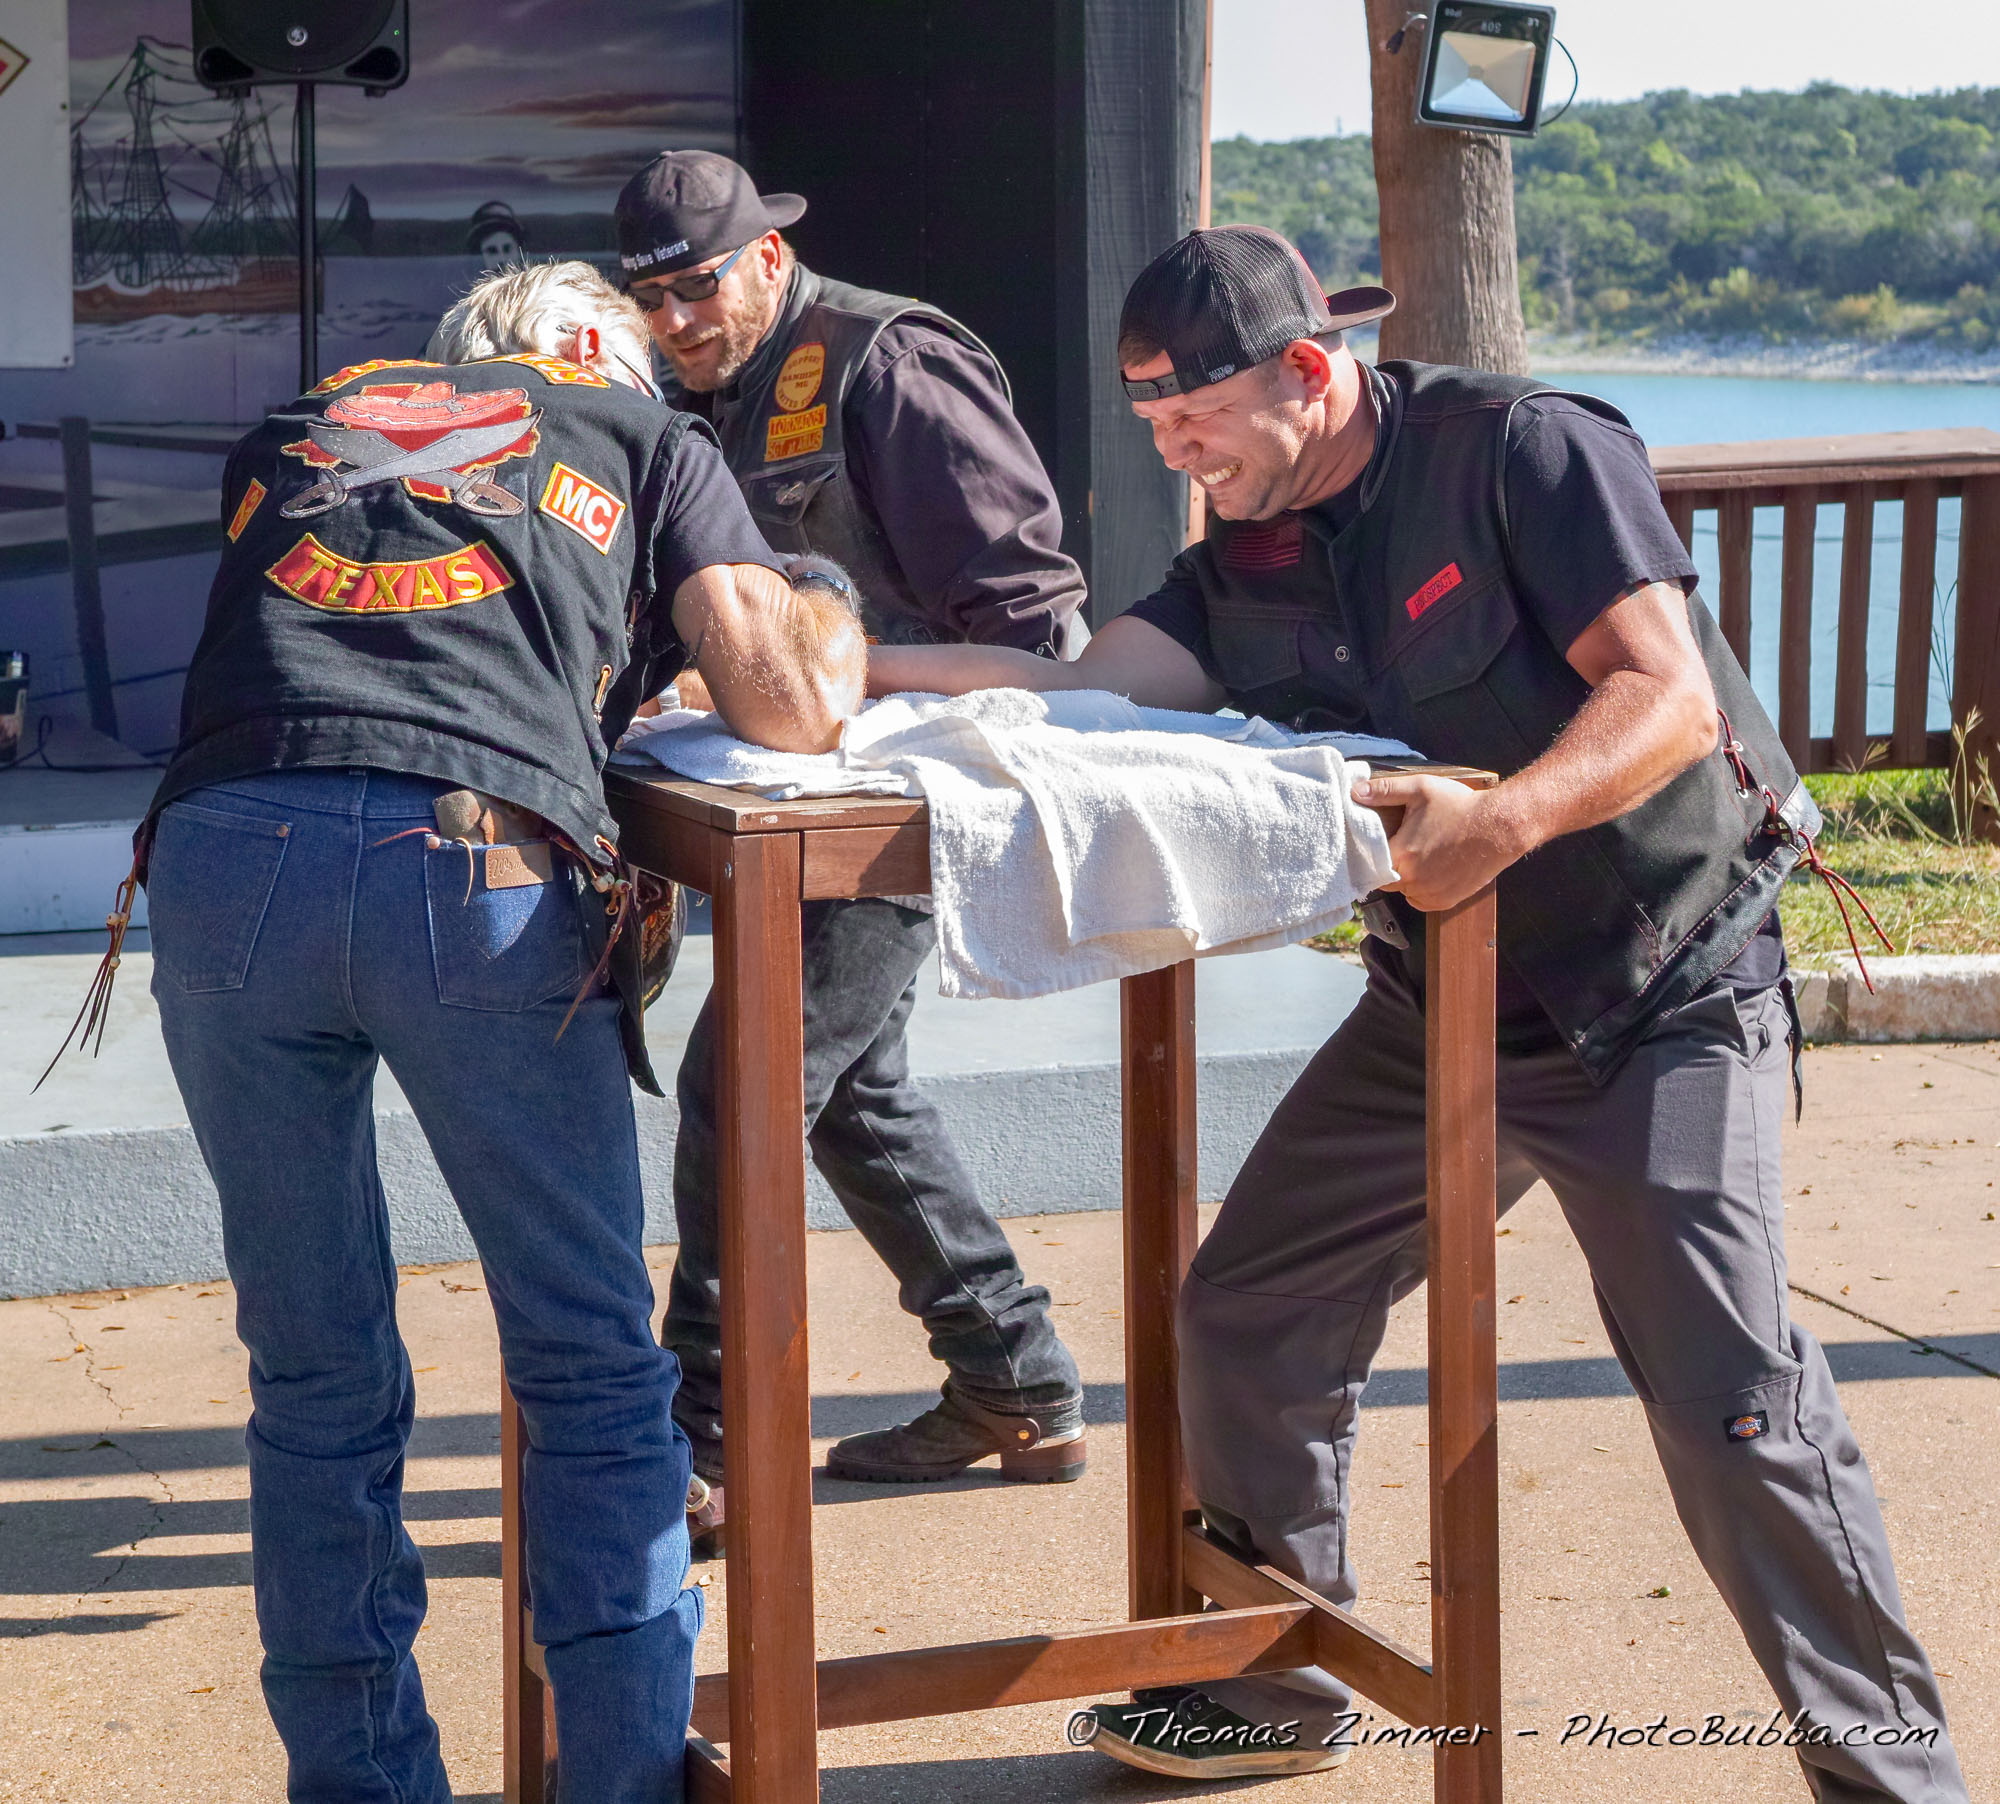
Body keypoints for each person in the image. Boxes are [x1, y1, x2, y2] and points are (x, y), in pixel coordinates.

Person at [866, 225, 1968, 1802]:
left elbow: (1666, 696)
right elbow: (1080, 697)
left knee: (1736, 1408)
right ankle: (1276, 1683)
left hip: (1656, 987)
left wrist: (1505, 821)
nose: (1175, 453)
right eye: (1153, 422)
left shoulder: (1524, 450)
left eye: (1197, 418)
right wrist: (858, 678)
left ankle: (1897, 1784)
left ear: (1308, 373)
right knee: (1250, 1309)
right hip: (1440, 994)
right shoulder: (1241, 548)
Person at [143, 259, 864, 1804]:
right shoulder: (639, 429)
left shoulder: (299, 422)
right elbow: (789, 705)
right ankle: (621, 1782)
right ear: (591, 345)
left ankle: (361, 1784)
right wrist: (829, 609)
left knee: (312, 1374)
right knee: (590, 1370)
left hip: (221, 857)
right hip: (468, 864)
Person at [611, 148, 1090, 1523]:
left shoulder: (889, 358)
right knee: (853, 1094)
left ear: (768, 255)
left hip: (897, 801)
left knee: (746, 1081)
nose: (676, 320)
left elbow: (1032, 624)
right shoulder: (691, 398)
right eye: (650, 300)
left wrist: (836, 683)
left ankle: (701, 1447)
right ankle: (1015, 1382)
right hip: (785, 810)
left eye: (698, 287)